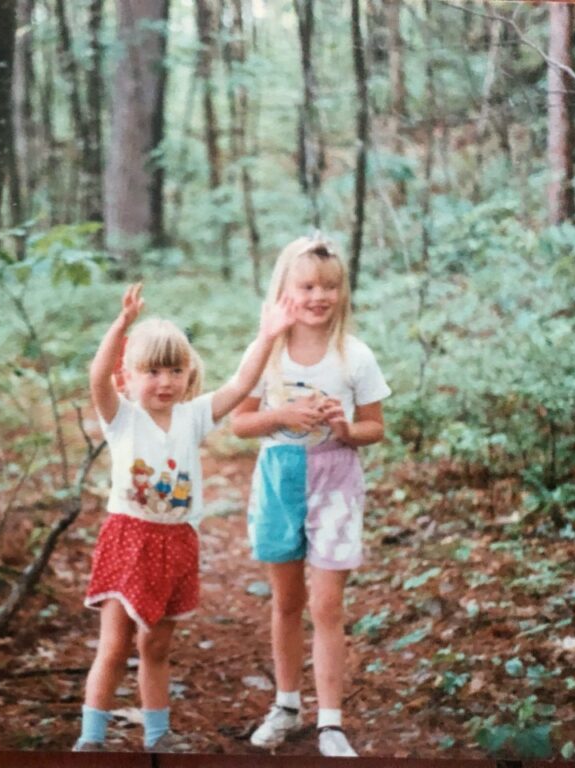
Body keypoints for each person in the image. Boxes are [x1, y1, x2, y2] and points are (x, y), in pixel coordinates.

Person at [74, 283, 297, 752]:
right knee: (114, 645)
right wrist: (122, 326)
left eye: (175, 370)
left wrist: (268, 334)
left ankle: (158, 735)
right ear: (129, 378)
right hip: (129, 537)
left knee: (156, 646)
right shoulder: (122, 418)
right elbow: (97, 378)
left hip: (176, 542)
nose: (165, 381)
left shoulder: (194, 415)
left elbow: (239, 385)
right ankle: (91, 739)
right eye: (152, 371)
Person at [231, 236, 390, 757]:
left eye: (330, 286)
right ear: (285, 290)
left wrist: (345, 428)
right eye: (307, 286)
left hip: (335, 482)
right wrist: (281, 416)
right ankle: (285, 704)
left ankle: (330, 722)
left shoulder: (354, 355)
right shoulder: (268, 353)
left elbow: (375, 428)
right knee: (287, 601)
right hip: (279, 478)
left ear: (342, 292)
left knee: (326, 604)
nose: (319, 296)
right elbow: (240, 422)